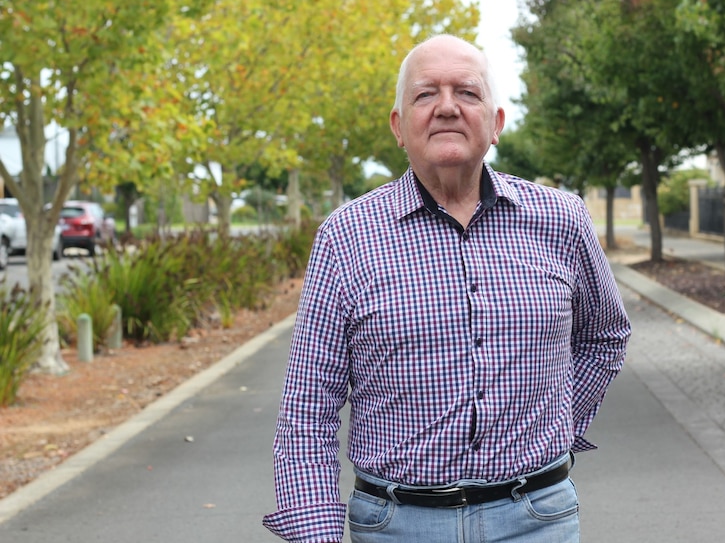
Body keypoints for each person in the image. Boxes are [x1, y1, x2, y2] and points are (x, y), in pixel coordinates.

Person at [263, 34, 631, 543]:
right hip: (396, 526)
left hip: (536, 520)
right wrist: (316, 534)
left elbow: (605, 336)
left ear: (496, 123)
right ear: (398, 126)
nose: (447, 108)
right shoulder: (346, 236)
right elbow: (309, 408)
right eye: (424, 94)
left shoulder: (562, 220)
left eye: (467, 92)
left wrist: (558, 423)